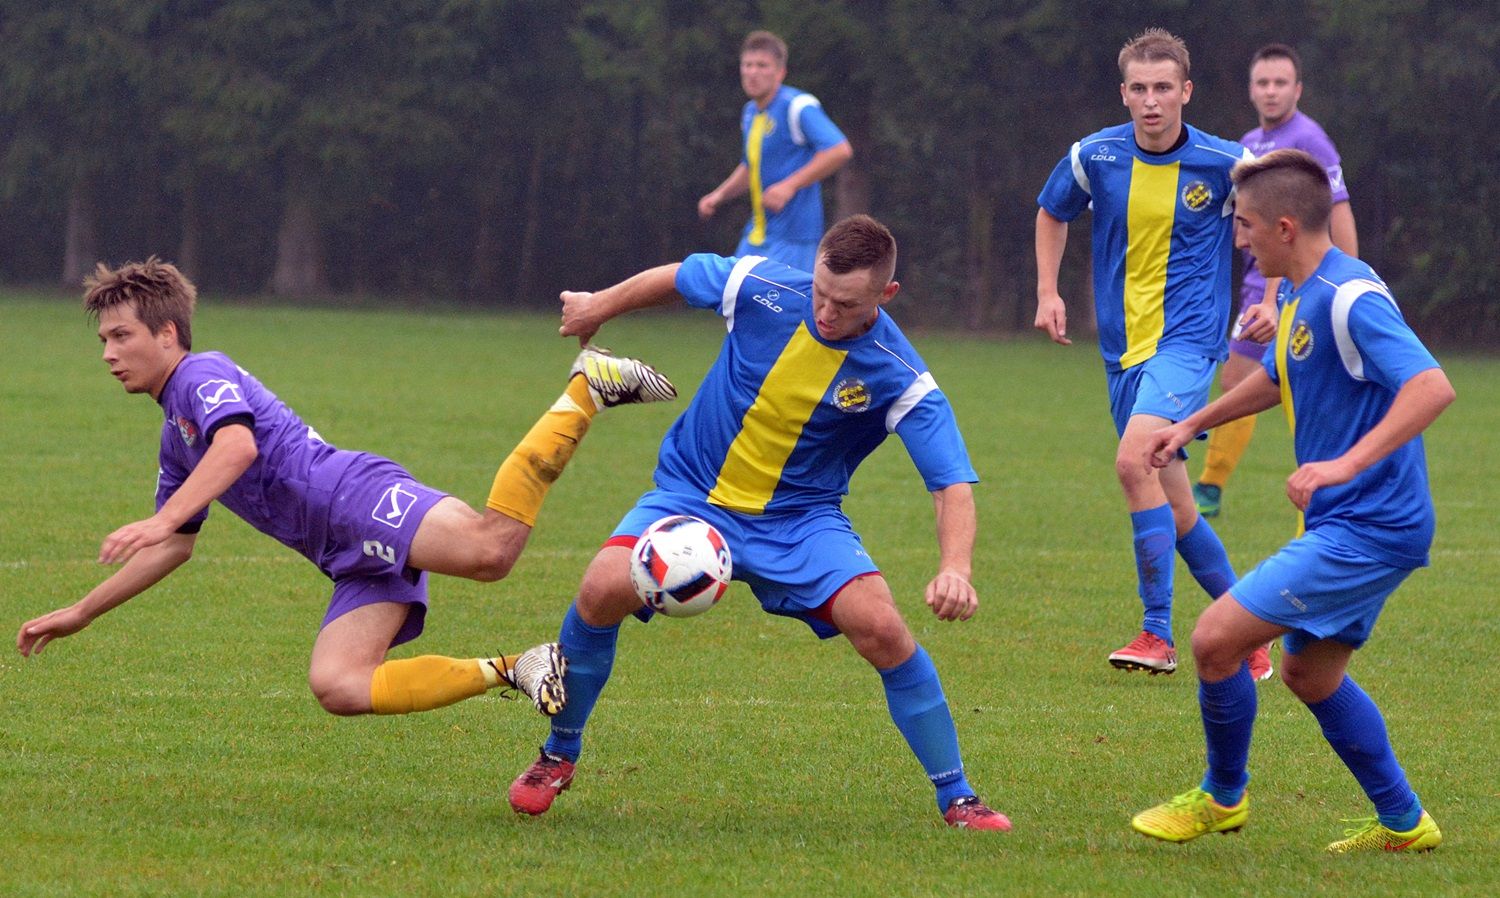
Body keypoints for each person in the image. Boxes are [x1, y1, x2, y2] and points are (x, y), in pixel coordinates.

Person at [506, 215, 1010, 831]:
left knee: (882, 628)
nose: (825, 311)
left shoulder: (899, 375)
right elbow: (680, 275)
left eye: (845, 304)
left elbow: (950, 484)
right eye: (821, 292)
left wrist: (955, 567)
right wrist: (597, 307)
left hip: (799, 522)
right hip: (691, 496)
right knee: (598, 589)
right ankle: (558, 753)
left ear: (887, 295)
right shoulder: (763, 285)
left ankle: (958, 797)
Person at [17, 258, 678, 727]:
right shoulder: (176, 434)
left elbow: (238, 447)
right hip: (342, 556)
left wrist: (164, 518)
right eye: (104, 340)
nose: (108, 353)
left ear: (168, 334)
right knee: (338, 686)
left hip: (353, 498)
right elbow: (173, 549)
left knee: (491, 550)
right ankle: (518, 668)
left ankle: (587, 389)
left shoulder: (201, 374)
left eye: (121, 336)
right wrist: (82, 612)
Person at [1130, 148, 1453, 852]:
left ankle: (1221, 798)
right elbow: (1280, 377)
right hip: (1354, 521)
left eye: (1244, 226)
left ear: (1282, 226)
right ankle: (1405, 823)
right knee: (1310, 674)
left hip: (1369, 526)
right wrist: (1190, 423)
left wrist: (1342, 464)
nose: (1238, 241)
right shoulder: (1304, 295)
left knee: (1215, 641)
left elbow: (1431, 386)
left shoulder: (1350, 298)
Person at [1034, 28, 1264, 677]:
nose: (1152, 100)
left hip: (1188, 347)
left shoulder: (1227, 163)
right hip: (1123, 356)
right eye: (1139, 88)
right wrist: (1048, 291)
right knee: (1178, 505)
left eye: (1164, 87)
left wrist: (1270, 297)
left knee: (1132, 461)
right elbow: (1052, 212)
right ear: (1124, 93)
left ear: (1186, 91)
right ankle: (1251, 630)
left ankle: (1156, 634)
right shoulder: (1095, 156)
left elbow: (1272, 216)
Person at [1193, 43, 1360, 520]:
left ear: (1297, 89)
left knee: (1294, 385)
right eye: (1263, 83)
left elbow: (1339, 211)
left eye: (1280, 83)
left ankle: (1318, 488)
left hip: (1297, 283)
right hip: (1260, 282)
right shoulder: (1249, 142)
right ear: (1251, 89)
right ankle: (1212, 486)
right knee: (1241, 378)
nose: (1271, 91)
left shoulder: (1310, 140)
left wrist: (1347, 281)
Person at [696, 30, 854, 273]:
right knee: (734, 300)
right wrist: (719, 195)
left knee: (783, 309)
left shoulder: (798, 106)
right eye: (747, 65)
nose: (752, 72)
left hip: (794, 237)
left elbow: (838, 150)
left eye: (762, 65)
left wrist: (788, 185)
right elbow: (751, 166)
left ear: (780, 72)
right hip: (758, 233)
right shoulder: (750, 112)